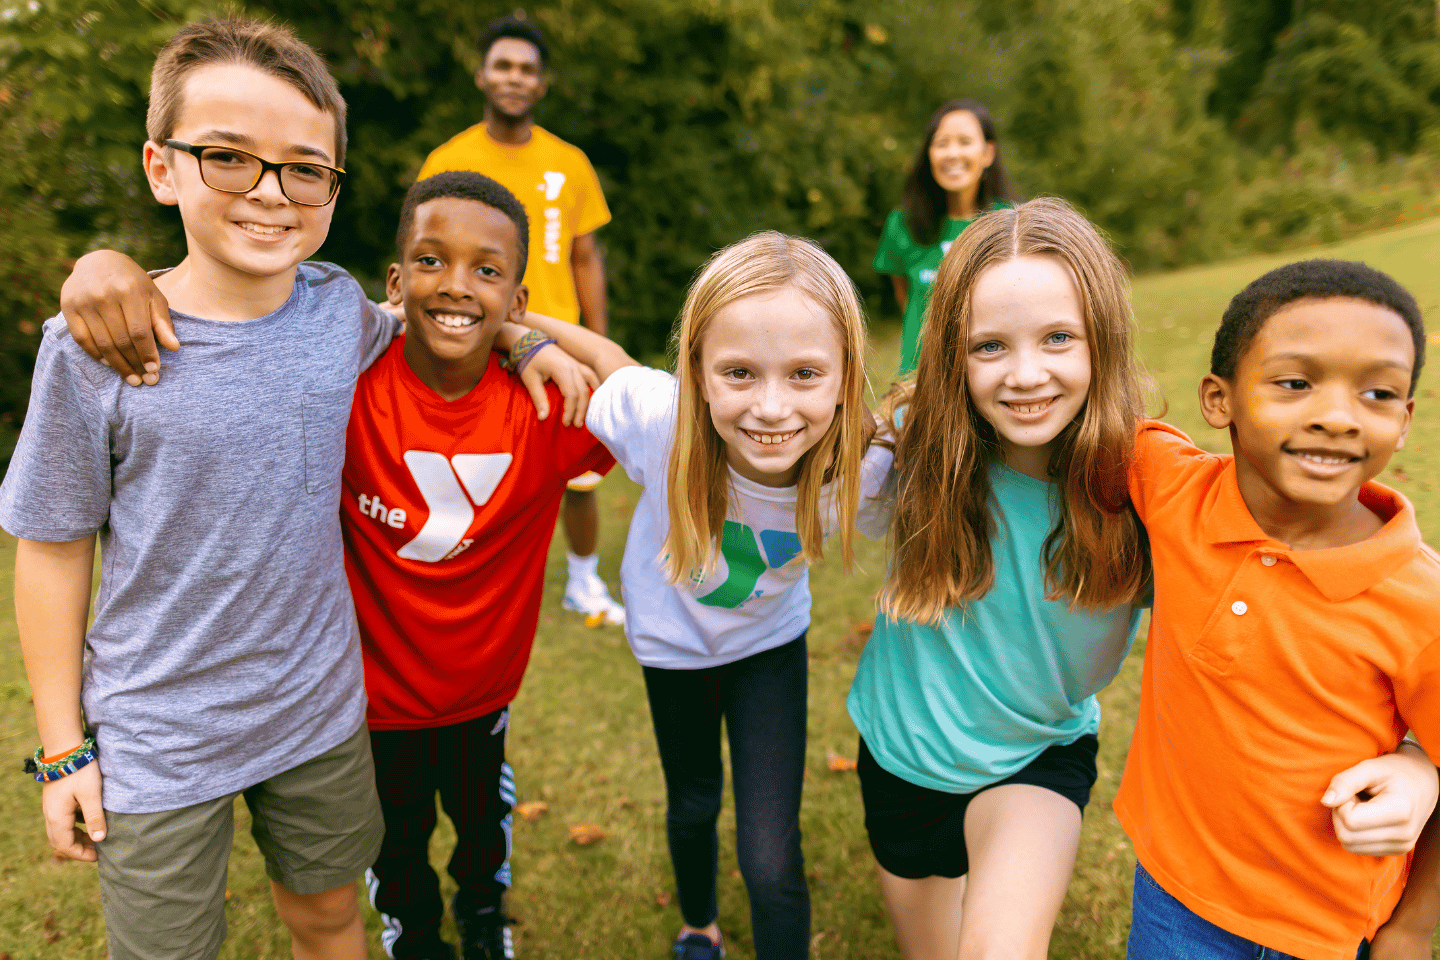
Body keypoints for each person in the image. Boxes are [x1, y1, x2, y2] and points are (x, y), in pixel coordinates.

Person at [846, 199, 1439, 960]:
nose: (1027, 374)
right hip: (899, 753)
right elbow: (776, 456)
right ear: (952, 356)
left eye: (1059, 337)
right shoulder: (916, 455)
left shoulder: (1147, 484)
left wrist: (1420, 765)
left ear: (1103, 340)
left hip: (1036, 760)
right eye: (989, 346)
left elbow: (1308, 560)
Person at [0, 18, 393, 960]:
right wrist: (64, 752)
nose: (269, 192)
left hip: (317, 706)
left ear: (334, 185)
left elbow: (459, 315)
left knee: (332, 917)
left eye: (305, 169)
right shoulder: (94, 348)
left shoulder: (342, 311)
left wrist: (537, 341)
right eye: (228, 156)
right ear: (161, 167)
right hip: (157, 735)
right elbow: (52, 551)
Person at [518, 232, 894, 960]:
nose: (772, 408)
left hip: (768, 651)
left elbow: (952, 458)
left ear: (847, 375)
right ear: (696, 373)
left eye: (807, 373)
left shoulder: (860, 471)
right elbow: (605, 358)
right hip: (672, 652)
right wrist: (512, 324)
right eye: (741, 373)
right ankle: (699, 927)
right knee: (692, 805)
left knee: (768, 852)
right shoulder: (661, 421)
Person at [1120, 258, 1440, 960]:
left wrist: (1413, 929)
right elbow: (1081, 415)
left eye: (1378, 393)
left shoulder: (1423, 604)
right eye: (1295, 383)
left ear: (1407, 420)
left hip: (1328, 931)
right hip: (1176, 901)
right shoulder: (1172, 487)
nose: (1335, 417)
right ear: (1218, 399)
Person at [350, 171, 613, 960]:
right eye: (431, 262)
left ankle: (483, 917)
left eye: (487, 272)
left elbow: (642, 388)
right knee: (395, 843)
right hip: (366, 701)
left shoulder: (546, 402)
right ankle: (413, 934)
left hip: (481, 695)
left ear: (523, 295)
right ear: (395, 282)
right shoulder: (346, 389)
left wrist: (524, 338)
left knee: (480, 832)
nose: (456, 286)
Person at [418, 14, 624, 626]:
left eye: (527, 69)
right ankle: (465, 579)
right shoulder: (450, 160)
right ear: (482, 75)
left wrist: (598, 338)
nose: (514, 77)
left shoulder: (569, 163)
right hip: (475, 339)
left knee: (578, 474)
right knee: (473, 467)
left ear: (541, 83)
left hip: (557, 339)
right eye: (503, 65)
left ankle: (583, 583)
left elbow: (585, 255)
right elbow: (425, 250)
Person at [874, 98, 1018, 377]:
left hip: (988, 375)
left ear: (988, 153)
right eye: (942, 144)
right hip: (920, 378)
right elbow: (905, 295)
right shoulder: (902, 224)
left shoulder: (1010, 223)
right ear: (929, 154)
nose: (952, 153)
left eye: (964, 142)